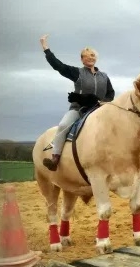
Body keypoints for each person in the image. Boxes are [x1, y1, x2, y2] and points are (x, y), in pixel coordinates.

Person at [40, 34, 116, 171]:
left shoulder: (104, 76)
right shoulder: (77, 73)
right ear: (82, 59)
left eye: (93, 55)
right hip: (79, 109)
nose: (91, 57)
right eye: (87, 56)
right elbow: (58, 66)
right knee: (63, 124)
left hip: (99, 110)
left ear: (96, 58)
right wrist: (46, 48)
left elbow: (111, 93)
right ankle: (55, 158)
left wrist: (105, 102)